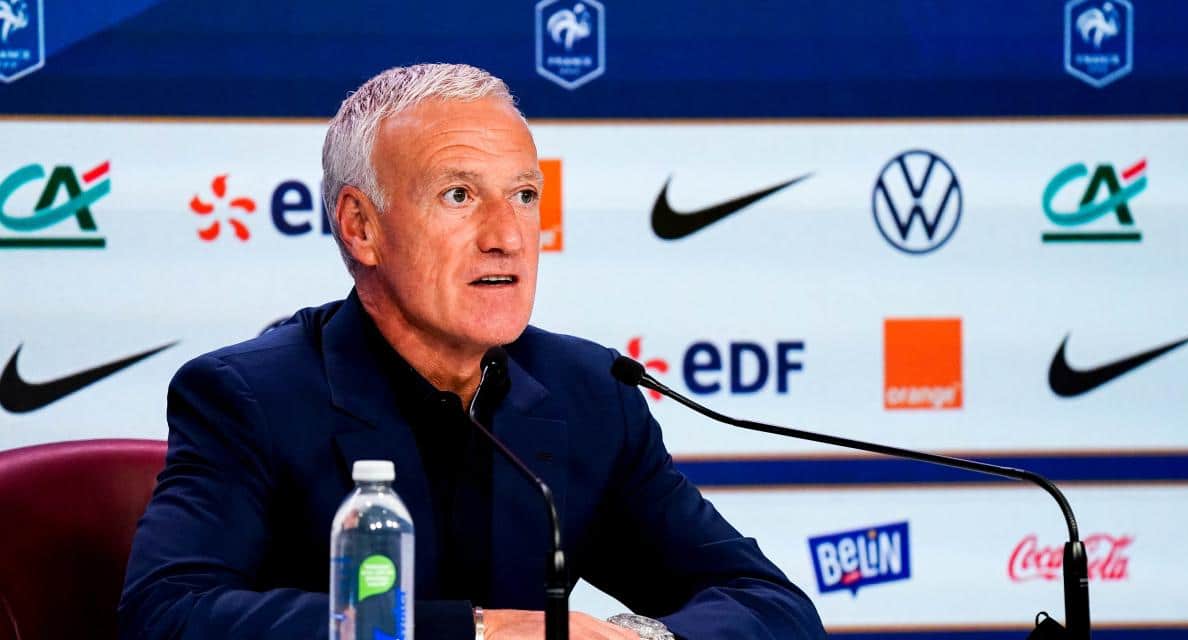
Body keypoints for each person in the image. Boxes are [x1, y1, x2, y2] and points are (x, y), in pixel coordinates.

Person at [119, 63, 826, 640]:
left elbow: (770, 605)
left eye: (524, 195)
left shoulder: (589, 392)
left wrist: (637, 639)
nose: (507, 236)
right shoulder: (249, 398)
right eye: (459, 195)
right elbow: (168, 615)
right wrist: (478, 632)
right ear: (361, 227)